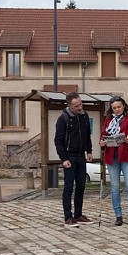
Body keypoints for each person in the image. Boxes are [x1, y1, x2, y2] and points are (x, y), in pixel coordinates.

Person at [99, 96, 128, 227]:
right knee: (115, 188)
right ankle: (118, 215)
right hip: (112, 157)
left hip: (127, 156)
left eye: (118, 107)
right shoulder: (108, 120)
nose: (116, 110)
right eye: (114, 108)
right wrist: (102, 142)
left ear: (124, 106)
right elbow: (103, 134)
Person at [54, 92, 94, 228]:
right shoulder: (63, 119)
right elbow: (58, 140)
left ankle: (78, 214)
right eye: (77, 106)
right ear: (70, 106)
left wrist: (89, 151)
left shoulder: (84, 116)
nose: (80, 108)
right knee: (68, 187)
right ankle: (68, 217)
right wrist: (63, 159)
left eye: (81, 104)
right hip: (69, 157)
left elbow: (87, 135)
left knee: (81, 186)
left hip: (81, 156)